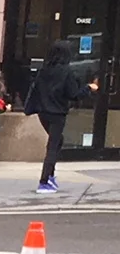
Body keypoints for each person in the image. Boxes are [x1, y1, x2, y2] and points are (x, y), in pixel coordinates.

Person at [22, 40, 88, 193]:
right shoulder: (67, 72)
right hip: (57, 113)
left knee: (57, 142)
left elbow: (37, 90)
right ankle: (44, 181)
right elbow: (73, 94)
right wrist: (88, 88)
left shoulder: (44, 70)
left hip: (43, 112)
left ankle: (50, 176)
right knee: (53, 145)